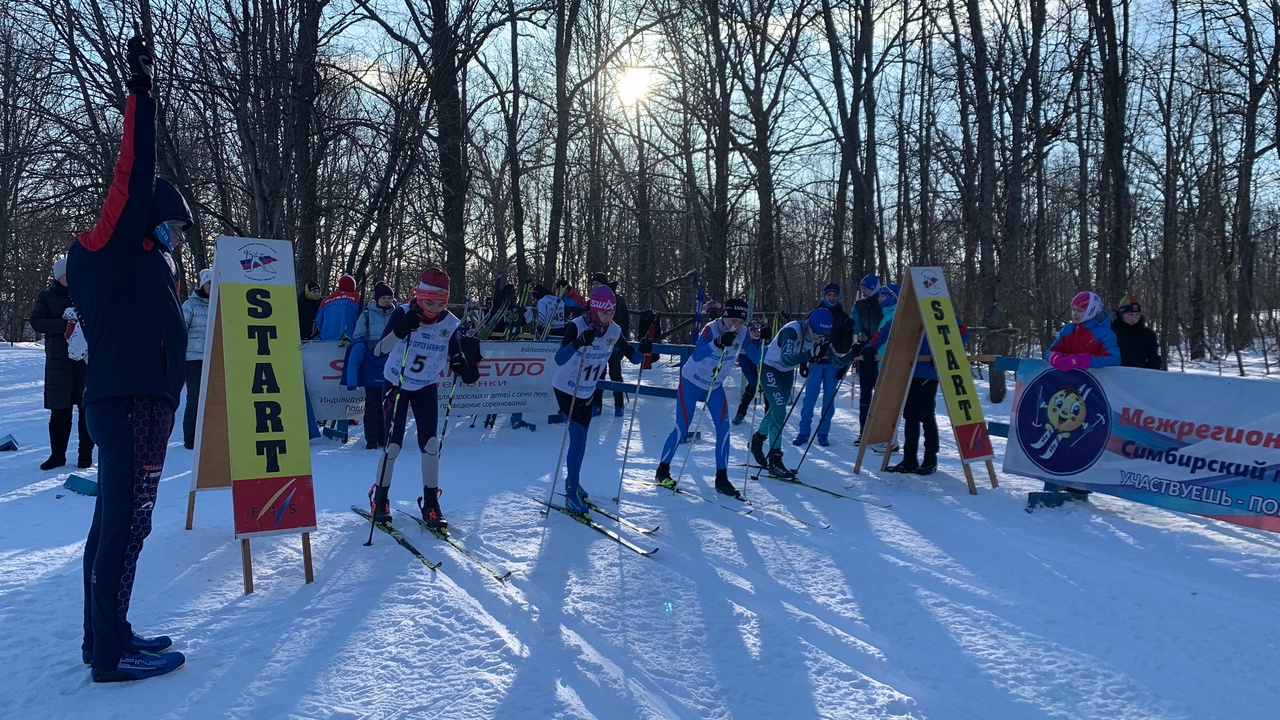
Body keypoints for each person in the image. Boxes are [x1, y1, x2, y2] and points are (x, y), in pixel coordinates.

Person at [65, 33, 186, 682]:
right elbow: (132, 173)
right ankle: (112, 653)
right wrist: (141, 95)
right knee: (127, 529)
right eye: (167, 228)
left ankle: (101, 636)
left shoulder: (135, 263)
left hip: (134, 398)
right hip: (132, 399)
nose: (172, 240)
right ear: (145, 221)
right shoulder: (112, 248)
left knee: (111, 524)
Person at [368, 268, 480, 529]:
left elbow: (456, 354)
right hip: (396, 384)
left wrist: (461, 363)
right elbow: (378, 351)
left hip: (425, 386)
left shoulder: (450, 322)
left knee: (431, 444)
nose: (435, 308)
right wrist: (400, 330)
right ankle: (381, 498)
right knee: (393, 445)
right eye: (429, 302)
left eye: (441, 303)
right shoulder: (403, 312)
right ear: (419, 296)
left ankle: (431, 502)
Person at [554, 284, 652, 515]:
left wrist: (646, 350)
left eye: (612, 312)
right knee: (577, 438)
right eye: (604, 312)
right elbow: (559, 359)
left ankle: (575, 483)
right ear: (594, 309)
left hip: (587, 389)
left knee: (583, 440)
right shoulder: (576, 326)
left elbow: (634, 358)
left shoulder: (614, 331)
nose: (608, 317)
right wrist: (578, 342)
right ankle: (570, 490)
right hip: (566, 388)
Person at [654, 298, 748, 497]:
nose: (737, 326)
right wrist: (718, 343)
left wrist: (761, 339)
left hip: (714, 386)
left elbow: (755, 354)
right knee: (682, 427)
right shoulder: (711, 329)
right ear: (724, 317)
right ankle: (662, 471)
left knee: (724, 429)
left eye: (741, 322)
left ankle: (721, 479)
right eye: (733, 321)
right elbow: (697, 355)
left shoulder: (743, 332)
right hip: (691, 382)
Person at [749, 308, 852, 478]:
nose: (818, 339)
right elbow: (786, 358)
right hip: (770, 368)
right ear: (808, 326)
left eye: (822, 336)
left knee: (776, 409)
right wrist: (810, 354)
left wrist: (853, 353)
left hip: (786, 373)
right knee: (780, 410)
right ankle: (775, 459)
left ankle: (757, 440)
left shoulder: (822, 335)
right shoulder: (792, 331)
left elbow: (836, 361)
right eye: (816, 334)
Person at [866, 309, 968, 475]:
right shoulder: (907, 310)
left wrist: (944, 350)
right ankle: (909, 459)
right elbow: (886, 330)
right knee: (910, 415)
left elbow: (963, 333)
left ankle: (930, 459)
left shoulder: (938, 309)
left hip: (928, 371)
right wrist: (871, 346)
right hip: (907, 370)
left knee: (926, 414)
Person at [29, 257, 94, 470]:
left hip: (84, 361)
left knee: (87, 411)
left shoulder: (86, 294)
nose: (71, 279)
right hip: (58, 363)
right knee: (59, 412)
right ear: (59, 277)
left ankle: (85, 456)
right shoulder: (47, 297)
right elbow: (37, 321)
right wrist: (65, 324)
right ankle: (57, 456)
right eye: (66, 275)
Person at [344, 281, 397, 449]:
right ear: (376, 299)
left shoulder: (398, 314)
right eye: (383, 297)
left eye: (389, 297)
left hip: (392, 365)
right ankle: (372, 439)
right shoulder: (366, 316)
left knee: (389, 405)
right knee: (373, 405)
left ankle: (386, 437)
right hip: (372, 367)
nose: (387, 300)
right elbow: (358, 339)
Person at [794, 283, 847, 447]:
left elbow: (846, 344)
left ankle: (823, 432)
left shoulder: (843, 317)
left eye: (834, 296)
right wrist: (803, 361)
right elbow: (805, 339)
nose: (831, 298)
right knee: (809, 398)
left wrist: (843, 365)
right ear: (824, 296)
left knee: (828, 400)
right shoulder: (814, 314)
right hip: (815, 362)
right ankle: (804, 431)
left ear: (838, 297)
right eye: (829, 295)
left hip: (832, 363)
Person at [1045, 291, 1121, 371]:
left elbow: (1114, 360)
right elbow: (1049, 351)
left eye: (1079, 311)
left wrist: (1083, 361)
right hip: (1067, 380)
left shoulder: (1105, 334)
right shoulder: (1067, 329)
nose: (1075, 314)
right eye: (1073, 310)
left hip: (1096, 381)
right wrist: (1054, 357)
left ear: (1091, 312)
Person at [179, 268, 212, 449]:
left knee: (213, 398)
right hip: (194, 358)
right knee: (196, 397)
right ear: (202, 284)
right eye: (209, 283)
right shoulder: (190, 305)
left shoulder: (219, 304)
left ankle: (209, 433)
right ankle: (190, 437)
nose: (212, 287)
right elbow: (181, 328)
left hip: (213, 358)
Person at [591, 273, 631, 417]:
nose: (594, 286)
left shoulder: (618, 300)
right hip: (598, 344)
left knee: (615, 374)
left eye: (597, 283)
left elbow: (624, 322)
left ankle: (619, 405)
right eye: (593, 283)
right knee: (598, 374)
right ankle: (596, 405)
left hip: (614, 342)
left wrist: (621, 343)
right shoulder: (593, 300)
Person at [850, 274, 883, 445]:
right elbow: (855, 326)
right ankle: (863, 430)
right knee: (865, 393)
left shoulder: (882, 301)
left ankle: (882, 432)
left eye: (867, 289)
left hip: (882, 350)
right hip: (866, 349)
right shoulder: (859, 305)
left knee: (881, 393)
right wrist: (850, 325)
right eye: (862, 289)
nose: (864, 292)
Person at [731, 317, 768, 425]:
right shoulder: (745, 338)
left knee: (766, 384)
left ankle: (768, 414)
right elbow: (755, 357)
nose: (757, 333)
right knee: (753, 383)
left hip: (757, 359)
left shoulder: (761, 338)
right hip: (746, 360)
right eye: (754, 331)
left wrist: (766, 342)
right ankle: (741, 412)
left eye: (758, 331)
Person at [1112, 294, 1162, 370]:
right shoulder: (1111, 332)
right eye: (1130, 314)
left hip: (1140, 377)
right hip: (1113, 377)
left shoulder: (1148, 335)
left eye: (1137, 314)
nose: (1133, 318)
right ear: (1121, 314)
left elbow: (1153, 359)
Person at [315, 273, 361, 342]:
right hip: (348, 340)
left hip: (326, 341)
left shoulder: (326, 301)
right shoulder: (357, 300)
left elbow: (318, 323)